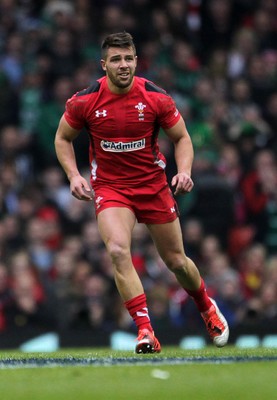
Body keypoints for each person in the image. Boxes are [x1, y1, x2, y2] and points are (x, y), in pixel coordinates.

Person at [54, 32, 229, 353]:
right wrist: (73, 176)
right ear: (103, 64)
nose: (124, 65)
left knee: (176, 261)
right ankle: (146, 331)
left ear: (136, 61)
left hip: (153, 186)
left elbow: (183, 138)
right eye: (117, 59)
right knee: (119, 251)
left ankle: (206, 307)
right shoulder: (85, 100)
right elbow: (62, 138)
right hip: (111, 188)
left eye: (129, 58)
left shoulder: (155, 97)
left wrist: (186, 171)